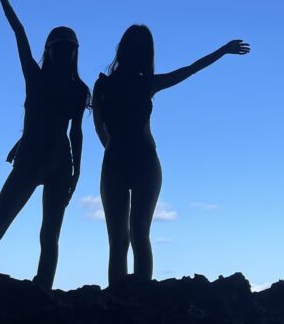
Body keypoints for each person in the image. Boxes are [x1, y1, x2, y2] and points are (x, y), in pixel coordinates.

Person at [0, 0, 90, 289]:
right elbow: (72, 132)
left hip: (45, 160)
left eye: (66, 47)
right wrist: (76, 173)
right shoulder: (69, 86)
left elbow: (19, 32)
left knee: (6, 230)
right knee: (26, 233)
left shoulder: (45, 79)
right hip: (48, 160)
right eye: (64, 47)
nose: (64, 52)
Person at [92, 25, 249, 285]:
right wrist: (223, 50)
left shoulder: (116, 85)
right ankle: (128, 300)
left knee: (128, 238)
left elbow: (99, 126)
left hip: (129, 162)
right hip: (132, 161)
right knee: (131, 237)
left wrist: (222, 51)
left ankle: (126, 300)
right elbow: (189, 70)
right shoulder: (123, 84)